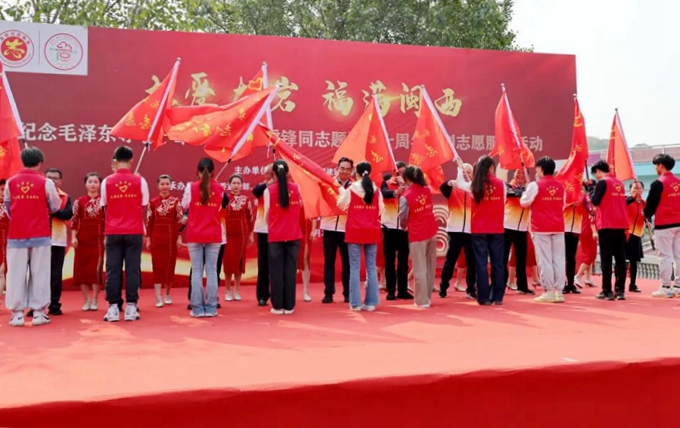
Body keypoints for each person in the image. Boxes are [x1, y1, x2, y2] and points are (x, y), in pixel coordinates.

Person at [4, 147, 61, 327]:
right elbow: (55, 206)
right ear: (39, 163)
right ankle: (38, 313)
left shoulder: (11, 182)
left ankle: (17, 315)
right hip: (40, 234)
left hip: (16, 234)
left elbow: (8, 208)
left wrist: (20, 218)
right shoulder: (46, 182)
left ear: (23, 161)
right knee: (40, 273)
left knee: (15, 274)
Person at [101, 146, 149, 322]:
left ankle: (113, 308)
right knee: (132, 269)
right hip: (134, 231)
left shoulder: (106, 181)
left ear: (115, 161)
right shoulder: (140, 181)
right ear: (131, 161)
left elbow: (104, 205)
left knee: (113, 269)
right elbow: (144, 204)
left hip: (113, 231)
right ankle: (131, 307)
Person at [457, 155, 506, 306]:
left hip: (479, 229)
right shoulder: (501, 184)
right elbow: (504, 202)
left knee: (481, 263)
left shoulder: (475, 185)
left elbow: (460, 184)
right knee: (498, 264)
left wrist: (459, 168)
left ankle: (483, 297)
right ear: (491, 167)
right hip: (496, 229)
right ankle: (498, 296)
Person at [182, 158, 227, 317]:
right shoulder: (220, 189)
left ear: (197, 171)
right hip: (213, 233)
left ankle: (197, 309)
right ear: (214, 172)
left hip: (195, 233)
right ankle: (212, 308)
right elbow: (221, 208)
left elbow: (184, 205)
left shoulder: (191, 187)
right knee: (212, 271)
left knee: (197, 271)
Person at [337, 161, 384, 311]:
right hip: (372, 231)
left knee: (354, 267)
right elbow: (381, 210)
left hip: (355, 231)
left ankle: (355, 303)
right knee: (371, 267)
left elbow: (341, 205)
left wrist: (341, 192)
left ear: (356, 173)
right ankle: (371, 303)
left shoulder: (352, 189)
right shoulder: (376, 190)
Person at [520, 157, 566, 303]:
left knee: (544, 259)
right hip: (558, 226)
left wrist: (527, 191)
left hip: (541, 227)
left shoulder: (535, 185)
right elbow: (563, 206)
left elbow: (524, 202)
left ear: (540, 169)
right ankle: (559, 292)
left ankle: (548, 291)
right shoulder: (560, 186)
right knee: (558, 259)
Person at [264, 160, 302, 315]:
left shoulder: (269, 190)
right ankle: (289, 306)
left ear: (273, 173)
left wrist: (273, 226)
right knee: (290, 271)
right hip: (293, 234)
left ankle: (277, 306)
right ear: (288, 173)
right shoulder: (297, 188)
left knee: (276, 271)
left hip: (276, 235)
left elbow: (267, 215)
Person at [399, 166, 438, 308]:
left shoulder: (405, 196)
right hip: (431, 230)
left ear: (406, 178)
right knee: (430, 265)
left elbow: (403, 217)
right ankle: (427, 297)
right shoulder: (426, 190)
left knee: (419, 267)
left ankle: (422, 301)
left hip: (417, 233)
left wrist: (404, 226)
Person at [589, 160, 628, 301]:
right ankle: (620, 291)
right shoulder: (620, 183)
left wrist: (590, 189)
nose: (596, 177)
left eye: (595, 174)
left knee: (606, 259)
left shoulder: (603, 182)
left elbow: (595, 201)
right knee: (620, 258)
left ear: (598, 171)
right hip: (620, 223)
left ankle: (607, 291)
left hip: (606, 223)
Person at [439, 162, 477, 299]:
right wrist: (450, 182)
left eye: (469, 172)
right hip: (455, 230)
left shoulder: (474, 190)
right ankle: (443, 286)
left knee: (472, 262)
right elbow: (442, 188)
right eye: (464, 171)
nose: (466, 174)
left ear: (473, 175)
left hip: (471, 231)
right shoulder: (453, 189)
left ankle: (471, 289)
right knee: (451, 260)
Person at [644, 154, 680, 298]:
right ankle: (678, 286)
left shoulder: (658, 183)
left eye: (655, 165)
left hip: (664, 224)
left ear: (660, 165)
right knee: (678, 256)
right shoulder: (678, 182)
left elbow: (650, 205)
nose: (655, 168)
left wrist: (646, 214)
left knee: (665, 256)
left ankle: (665, 287)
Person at [147, 174, 183, 308]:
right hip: (157, 237)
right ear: (158, 185)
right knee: (157, 266)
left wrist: (179, 236)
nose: (165, 186)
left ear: (171, 185)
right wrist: (149, 238)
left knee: (170, 265)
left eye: (167, 184)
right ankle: (158, 296)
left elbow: (179, 220)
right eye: (162, 184)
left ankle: (167, 294)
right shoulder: (152, 202)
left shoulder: (176, 201)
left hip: (171, 237)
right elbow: (149, 221)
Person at [320, 157, 353, 304]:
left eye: (347, 169)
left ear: (351, 171)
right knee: (329, 262)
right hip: (329, 227)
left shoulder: (355, 186)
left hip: (347, 229)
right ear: (337, 169)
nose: (344, 171)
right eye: (342, 168)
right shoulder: (328, 183)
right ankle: (328, 293)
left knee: (347, 263)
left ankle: (347, 293)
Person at [71, 173, 106, 311]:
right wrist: (74, 237)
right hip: (82, 239)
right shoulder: (79, 201)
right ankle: (86, 300)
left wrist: (106, 237)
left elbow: (108, 220)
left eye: (95, 182)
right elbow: (74, 220)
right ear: (85, 184)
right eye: (90, 182)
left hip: (98, 239)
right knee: (83, 270)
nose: (93, 184)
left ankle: (95, 299)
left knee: (96, 270)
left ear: (99, 184)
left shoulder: (104, 201)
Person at [380, 162, 412, 300]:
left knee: (403, 262)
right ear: (395, 172)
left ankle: (403, 290)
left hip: (405, 228)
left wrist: (406, 187)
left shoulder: (411, 186)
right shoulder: (387, 183)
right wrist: (395, 192)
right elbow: (383, 194)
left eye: (405, 172)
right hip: (389, 227)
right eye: (400, 172)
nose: (402, 174)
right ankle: (391, 291)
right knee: (390, 261)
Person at [45, 168, 73, 316]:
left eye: (55, 178)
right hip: (39, 240)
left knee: (55, 275)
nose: (52, 180)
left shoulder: (65, 197)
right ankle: (36, 305)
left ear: (60, 181)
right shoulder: (37, 195)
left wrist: (53, 210)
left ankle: (54, 304)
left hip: (57, 240)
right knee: (37, 274)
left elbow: (68, 214)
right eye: (49, 177)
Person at [223, 174, 254, 302]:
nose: (236, 185)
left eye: (238, 183)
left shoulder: (245, 200)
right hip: (227, 235)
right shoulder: (224, 198)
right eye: (234, 183)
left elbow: (250, 218)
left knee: (239, 262)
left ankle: (236, 290)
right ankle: (227, 290)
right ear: (229, 185)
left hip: (241, 234)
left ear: (242, 185)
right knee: (228, 262)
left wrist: (251, 233)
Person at [503, 169, 534, 295]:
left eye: (523, 173)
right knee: (503, 258)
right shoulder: (507, 186)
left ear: (527, 177)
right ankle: (500, 285)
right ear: (514, 175)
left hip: (522, 228)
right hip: (507, 226)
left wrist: (529, 191)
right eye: (518, 173)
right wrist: (527, 192)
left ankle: (522, 286)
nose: (520, 175)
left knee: (521, 259)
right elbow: (512, 193)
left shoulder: (529, 189)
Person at [252, 165, 273, 306]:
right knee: (263, 265)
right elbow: (256, 191)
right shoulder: (262, 187)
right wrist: (269, 183)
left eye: (269, 173)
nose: (266, 175)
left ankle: (277, 293)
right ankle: (262, 295)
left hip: (277, 230)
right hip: (263, 230)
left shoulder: (283, 188)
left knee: (277, 264)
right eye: (266, 173)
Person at [562, 194, 586, 294]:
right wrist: (570, 204)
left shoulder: (582, 195)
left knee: (571, 258)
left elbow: (587, 207)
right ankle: (562, 283)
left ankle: (571, 284)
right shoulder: (564, 192)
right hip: (564, 228)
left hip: (576, 228)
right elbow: (558, 207)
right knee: (562, 258)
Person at [625, 181, 645, 293]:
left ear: (643, 190)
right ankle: (619, 285)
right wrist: (632, 198)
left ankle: (633, 284)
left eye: (639, 188)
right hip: (625, 233)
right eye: (635, 188)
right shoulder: (626, 200)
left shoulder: (643, 203)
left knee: (634, 261)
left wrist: (647, 217)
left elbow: (648, 216)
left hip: (637, 233)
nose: (637, 190)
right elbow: (623, 206)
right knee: (622, 260)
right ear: (630, 190)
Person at [298, 208, 316, 302]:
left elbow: (313, 212)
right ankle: (288, 292)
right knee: (290, 261)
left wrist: (313, 229)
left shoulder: (308, 197)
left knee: (305, 259)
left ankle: (305, 291)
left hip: (305, 226)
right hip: (291, 224)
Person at [0, 179, 8, 300]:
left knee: (1, 272)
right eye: (1, 190)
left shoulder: (12, 206)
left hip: (5, 242)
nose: (3, 192)